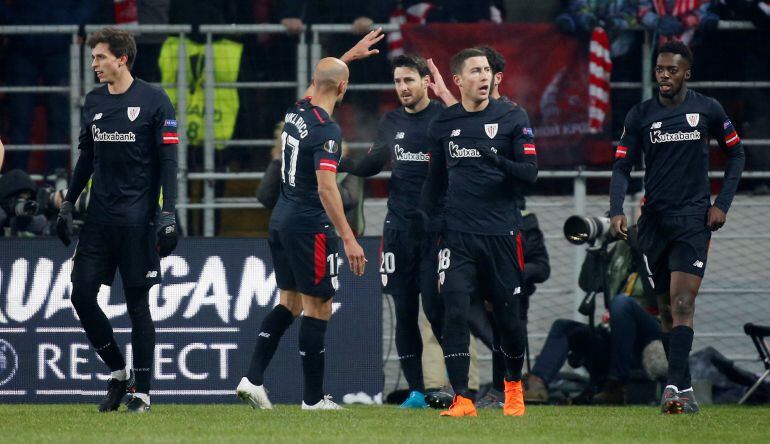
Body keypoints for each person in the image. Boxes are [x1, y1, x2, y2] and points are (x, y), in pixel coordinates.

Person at [236, 29, 383, 410]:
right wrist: (349, 238)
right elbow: (327, 188)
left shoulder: (296, 112)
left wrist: (345, 57)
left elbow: (321, 82)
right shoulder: (327, 131)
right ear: (344, 89)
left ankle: (252, 379)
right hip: (308, 225)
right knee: (318, 306)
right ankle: (314, 400)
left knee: (290, 303)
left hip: (281, 219)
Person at [609, 40, 745, 414]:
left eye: (672, 70)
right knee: (667, 309)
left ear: (687, 73)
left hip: (693, 221)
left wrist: (722, 204)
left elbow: (737, 154)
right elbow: (622, 166)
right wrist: (616, 210)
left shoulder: (707, 109)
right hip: (653, 223)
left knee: (684, 301)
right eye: (659, 70)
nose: (664, 76)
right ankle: (684, 389)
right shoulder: (640, 115)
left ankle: (671, 388)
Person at [55, 27, 179, 413]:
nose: (94, 65)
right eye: (93, 58)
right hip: (98, 222)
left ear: (121, 58)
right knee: (81, 296)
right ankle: (119, 373)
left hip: (138, 222)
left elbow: (169, 163)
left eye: (100, 57)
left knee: (138, 307)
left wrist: (169, 212)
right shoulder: (93, 102)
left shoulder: (155, 100)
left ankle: (142, 392)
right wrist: (69, 203)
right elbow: (87, 159)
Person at [420, 48, 537, 417]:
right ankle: (463, 398)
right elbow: (434, 181)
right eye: (475, 71)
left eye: (487, 70)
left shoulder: (513, 116)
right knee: (453, 311)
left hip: (502, 234)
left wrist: (497, 160)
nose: (484, 76)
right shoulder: (444, 124)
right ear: (458, 80)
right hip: (457, 235)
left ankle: (513, 388)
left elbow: (530, 173)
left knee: (509, 320)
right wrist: (427, 221)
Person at [338, 54, 445, 409]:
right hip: (398, 230)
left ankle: (454, 388)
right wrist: (336, 161)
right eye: (398, 82)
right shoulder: (392, 121)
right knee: (403, 310)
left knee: (436, 308)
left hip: (435, 230)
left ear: (426, 82)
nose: (402, 88)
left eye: (409, 81)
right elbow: (372, 163)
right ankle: (416, 392)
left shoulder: (443, 119)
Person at [523, 235, 664, 405]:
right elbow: (588, 284)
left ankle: (616, 386)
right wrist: (596, 247)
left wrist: (640, 250)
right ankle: (536, 385)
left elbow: (656, 296)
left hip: (649, 336)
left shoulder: (663, 246)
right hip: (614, 336)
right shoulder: (621, 248)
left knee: (622, 303)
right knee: (563, 327)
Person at [259, 122, 365, 235]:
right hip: (291, 232)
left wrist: (324, 173)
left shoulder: (345, 166)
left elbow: (349, 201)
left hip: (334, 234)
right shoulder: (284, 165)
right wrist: (279, 160)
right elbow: (266, 198)